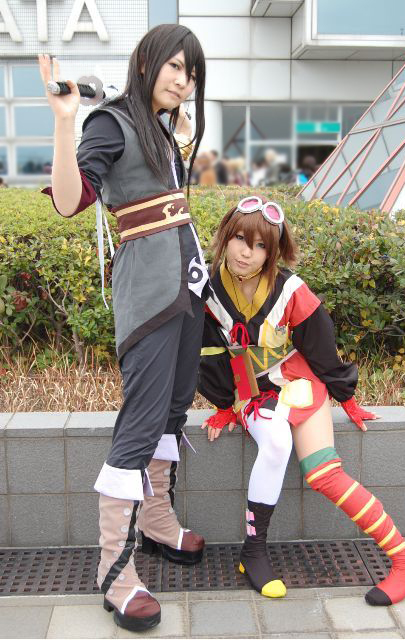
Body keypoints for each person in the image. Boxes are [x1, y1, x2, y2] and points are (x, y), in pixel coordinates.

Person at [39, 23, 208, 632]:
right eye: (175, 66)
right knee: (140, 421)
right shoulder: (110, 123)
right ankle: (114, 569)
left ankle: (157, 520)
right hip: (150, 293)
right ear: (147, 61)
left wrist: (172, 123)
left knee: (173, 408)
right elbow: (70, 200)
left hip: (187, 283)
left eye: (192, 73)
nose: (183, 81)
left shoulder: (157, 124)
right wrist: (66, 122)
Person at [198, 194, 405, 605]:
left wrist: (346, 397)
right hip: (252, 391)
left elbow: (320, 344)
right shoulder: (209, 290)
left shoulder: (290, 288)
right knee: (276, 443)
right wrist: (223, 406)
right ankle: (253, 553)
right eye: (240, 239)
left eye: (260, 245)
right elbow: (209, 353)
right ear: (226, 237)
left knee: (324, 475)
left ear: (272, 252)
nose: (247, 252)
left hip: (299, 380)